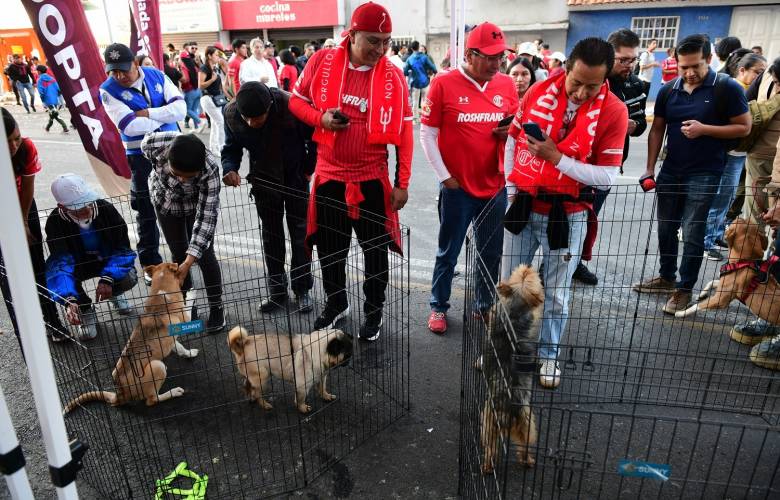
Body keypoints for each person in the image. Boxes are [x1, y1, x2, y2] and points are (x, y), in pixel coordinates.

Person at [502, 38, 628, 388]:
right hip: (525, 204)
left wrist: (557, 158)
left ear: (605, 80)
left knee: (557, 293)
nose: (581, 93)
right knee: (512, 287)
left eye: (593, 86)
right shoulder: (538, 90)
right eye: (576, 82)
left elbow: (606, 177)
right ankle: (502, 348)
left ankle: (549, 356)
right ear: (565, 69)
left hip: (569, 212)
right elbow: (513, 141)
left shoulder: (614, 111)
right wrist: (512, 190)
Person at [289, 1, 413, 341]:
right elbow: (295, 101)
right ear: (353, 34)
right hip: (329, 177)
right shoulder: (321, 62)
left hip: (373, 179)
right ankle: (336, 303)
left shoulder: (394, 76)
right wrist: (321, 118)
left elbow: (404, 133)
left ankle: (374, 313)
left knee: (375, 253)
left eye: (386, 41)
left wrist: (402, 183)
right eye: (373, 40)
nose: (381, 49)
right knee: (331, 250)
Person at [634, 34, 750, 314]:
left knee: (694, 231)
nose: (689, 72)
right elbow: (657, 130)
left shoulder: (727, 88)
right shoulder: (668, 90)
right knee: (664, 228)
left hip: (706, 172)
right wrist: (650, 168)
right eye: (684, 66)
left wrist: (705, 129)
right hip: (671, 171)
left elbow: (743, 127)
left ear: (709, 60)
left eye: (695, 66)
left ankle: (684, 289)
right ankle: (666, 276)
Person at [421, 22, 519, 334]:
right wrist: (445, 177)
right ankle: (438, 306)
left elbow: (516, 127)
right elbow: (427, 133)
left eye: (500, 57)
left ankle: (484, 304)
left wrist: (509, 130)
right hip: (458, 188)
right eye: (489, 57)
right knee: (448, 251)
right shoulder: (444, 83)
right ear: (469, 54)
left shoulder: (506, 85)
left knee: (489, 252)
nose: (496, 64)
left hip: (494, 187)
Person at [222, 82, 315, 313]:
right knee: (271, 239)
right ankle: (277, 292)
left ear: (270, 106)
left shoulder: (290, 104)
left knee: (300, 237)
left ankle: (302, 289)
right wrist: (229, 168)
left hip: (294, 177)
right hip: (263, 181)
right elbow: (231, 148)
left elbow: (314, 138)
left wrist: (308, 169)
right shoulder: (232, 113)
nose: (252, 123)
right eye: (248, 118)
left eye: (258, 117)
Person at [99, 43, 185, 282]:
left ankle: (184, 259)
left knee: (179, 205)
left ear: (136, 64)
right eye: (114, 71)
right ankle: (150, 264)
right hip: (140, 156)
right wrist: (163, 113)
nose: (119, 76)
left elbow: (181, 108)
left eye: (124, 70)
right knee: (146, 209)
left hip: (172, 150)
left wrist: (148, 113)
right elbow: (128, 126)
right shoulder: (107, 90)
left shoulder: (157, 75)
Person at [142, 132, 225, 332]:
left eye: (189, 177)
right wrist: (184, 261)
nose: (182, 179)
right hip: (164, 200)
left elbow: (206, 217)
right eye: (177, 173)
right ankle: (188, 309)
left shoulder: (210, 169)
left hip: (194, 204)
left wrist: (190, 261)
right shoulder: (154, 144)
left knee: (204, 255)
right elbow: (144, 152)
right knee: (178, 255)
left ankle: (217, 307)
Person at [0, 108, 69, 347]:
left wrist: (22, 223)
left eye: (16, 138)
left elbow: (27, 188)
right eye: (5, 141)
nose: (13, 146)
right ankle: (26, 333)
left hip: (22, 205)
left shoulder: (26, 148)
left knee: (37, 266)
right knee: (9, 276)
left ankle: (52, 322)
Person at [44, 174, 138, 340]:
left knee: (129, 277)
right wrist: (69, 299)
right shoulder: (55, 222)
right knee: (58, 279)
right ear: (63, 207)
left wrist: (108, 278)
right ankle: (85, 309)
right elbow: (60, 263)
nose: (87, 209)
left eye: (88, 202)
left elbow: (122, 249)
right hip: (78, 265)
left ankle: (115, 293)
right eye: (79, 208)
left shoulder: (106, 209)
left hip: (107, 260)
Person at [703, 52, 767, 262]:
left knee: (727, 196)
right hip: (730, 153)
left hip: (740, 153)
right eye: (757, 72)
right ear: (742, 70)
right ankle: (707, 241)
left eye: (762, 74)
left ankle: (716, 234)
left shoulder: (751, 90)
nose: (760, 77)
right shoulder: (735, 89)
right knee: (721, 196)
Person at [198, 46, 228, 156]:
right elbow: (200, 85)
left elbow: (221, 85)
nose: (217, 57)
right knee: (220, 121)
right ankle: (221, 147)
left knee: (216, 123)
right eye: (216, 54)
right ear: (209, 56)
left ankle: (213, 148)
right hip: (207, 98)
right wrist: (212, 79)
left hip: (216, 99)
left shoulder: (214, 68)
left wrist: (228, 95)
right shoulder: (204, 68)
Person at [405, 41, 437, 121]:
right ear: (418, 47)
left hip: (415, 82)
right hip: (425, 81)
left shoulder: (409, 59)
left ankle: (415, 118)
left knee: (415, 101)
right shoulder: (424, 57)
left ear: (412, 48)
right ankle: (425, 116)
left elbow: (405, 71)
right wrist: (434, 72)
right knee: (425, 100)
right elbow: (433, 67)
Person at [35, 65, 68, 133]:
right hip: (55, 99)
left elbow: (41, 92)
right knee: (53, 113)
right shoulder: (52, 78)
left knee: (55, 114)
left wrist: (43, 100)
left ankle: (64, 127)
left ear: (39, 71)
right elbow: (58, 88)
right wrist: (57, 95)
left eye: (37, 71)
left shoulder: (40, 80)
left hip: (48, 100)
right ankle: (48, 127)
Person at [180, 42, 203, 131]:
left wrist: (180, 80)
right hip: (198, 90)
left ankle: (200, 122)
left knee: (187, 110)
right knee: (193, 110)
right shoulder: (194, 64)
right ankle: (196, 127)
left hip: (190, 90)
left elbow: (186, 79)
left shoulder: (184, 66)